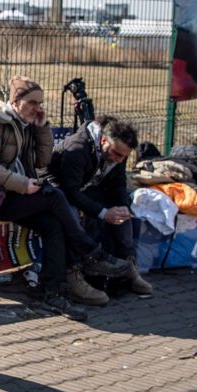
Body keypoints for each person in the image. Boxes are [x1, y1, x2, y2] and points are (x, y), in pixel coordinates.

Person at [0, 77, 132, 320]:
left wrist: (42, 128)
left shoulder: (27, 123)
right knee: (53, 196)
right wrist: (22, 185)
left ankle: (54, 294)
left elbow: (42, 162)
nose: (38, 108)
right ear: (15, 100)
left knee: (53, 225)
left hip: (13, 195)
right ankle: (91, 254)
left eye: (40, 103)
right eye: (32, 103)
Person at [46, 116, 152, 296]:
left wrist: (123, 207)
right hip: (57, 191)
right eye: (117, 154)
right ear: (103, 141)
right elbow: (70, 191)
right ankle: (74, 273)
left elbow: (118, 183)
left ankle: (127, 267)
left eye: (124, 157)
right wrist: (103, 213)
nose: (119, 160)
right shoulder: (77, 148)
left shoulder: (118, 150)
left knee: (122, 211)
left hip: (85, 188)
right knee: (73, 214)